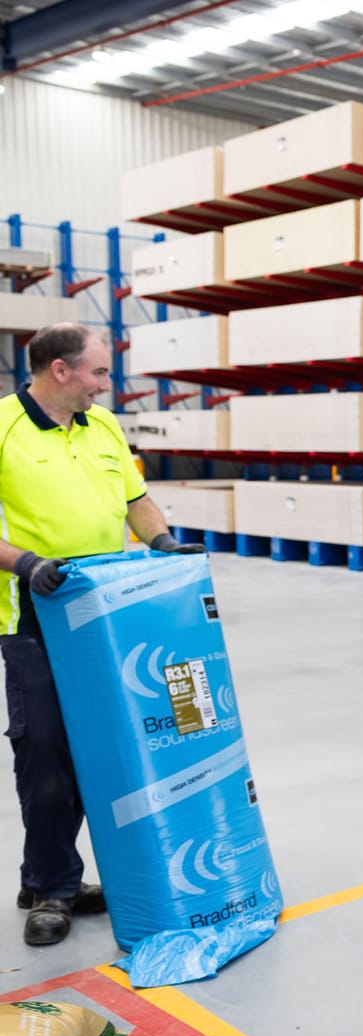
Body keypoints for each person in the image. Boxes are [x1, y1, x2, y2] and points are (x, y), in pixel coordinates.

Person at [0, 322, 205, 946]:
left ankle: (48, 876)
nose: (105, 385)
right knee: (43, 752)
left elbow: (135, 499)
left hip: (108, 610)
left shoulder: (105, 426)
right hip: (35, 611)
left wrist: (164, 541)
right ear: (59, 371)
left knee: (100, 749)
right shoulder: (3, 428)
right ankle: (54, 886)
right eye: (98, 372)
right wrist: (26, 564)